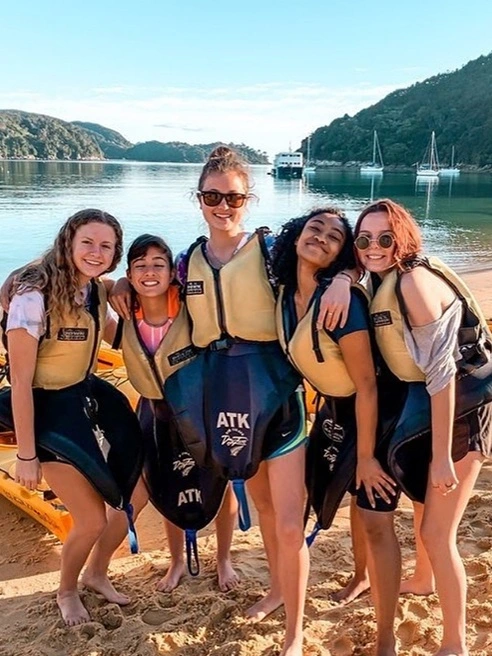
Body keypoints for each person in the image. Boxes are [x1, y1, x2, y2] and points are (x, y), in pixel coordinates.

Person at [354, 198, 492, 656]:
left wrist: (440, 458)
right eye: (364, 239)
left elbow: (441, 373)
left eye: (385, 238)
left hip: (464, 406)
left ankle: (455, 642)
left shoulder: (412, 282)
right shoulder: (383, 277)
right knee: (421, 505)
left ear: (404, 239)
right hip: (430, 403)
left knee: (437, 531)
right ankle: (423, 578)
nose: (374, 247)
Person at [0, 209, 143, 626]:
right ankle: (66, 590)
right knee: (91, 518)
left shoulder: (96, 290)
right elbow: (21, 382)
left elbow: (117, 334)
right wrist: (27, 455)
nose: (96, 252)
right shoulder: (31, 295)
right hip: (43, 407)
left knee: (136, 491)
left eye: (106, 246)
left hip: (85, 393)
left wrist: (134, 293)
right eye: (88, 242)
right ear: (68, 241)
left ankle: (97, 573)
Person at [272, 207, 405, 656]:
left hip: (377, 414)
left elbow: (368, 385)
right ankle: (360, 575)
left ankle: (386, 639)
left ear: (339, 254)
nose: (322, 238)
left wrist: (368, 457)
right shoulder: (287, 293)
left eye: (334, 237)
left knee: (375, 519)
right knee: (348, 504)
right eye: (315, 229)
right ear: (296, 237)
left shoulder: (341, 303)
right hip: (333, 410)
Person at [83, 233, 240, 593]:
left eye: (159, 265)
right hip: (155, 413)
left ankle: (224, 559)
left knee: (223, 482)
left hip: (200, 410)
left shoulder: (189, 307)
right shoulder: (123, 315)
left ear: (173, 273)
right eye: (140, 266)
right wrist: (120, 282)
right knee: (164, 483)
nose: (150, 272)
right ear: (130, 273)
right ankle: (177, 561)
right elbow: (94, 277)